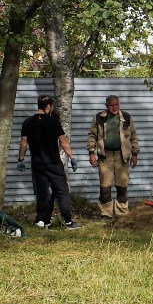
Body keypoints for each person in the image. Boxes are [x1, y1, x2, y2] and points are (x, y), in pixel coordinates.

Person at [17, 95, 81, 229]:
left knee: (43, 192)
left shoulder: (27, 122)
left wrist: (21, 159)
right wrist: (72, 157)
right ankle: (68, 221)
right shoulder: (53, 121)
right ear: (48, 106)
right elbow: (63, 142)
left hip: (38, 163)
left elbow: (23, 143)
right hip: (53, 163)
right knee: (62, 190)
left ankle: (43, 220)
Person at [86, 94, 139, 218]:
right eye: (111, 105)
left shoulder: (126, 117)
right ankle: (106, 213)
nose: (114, 107)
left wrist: (135, 154)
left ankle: (122, 213)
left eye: (116, 105)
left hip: (122, 156)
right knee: (105, 186)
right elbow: (92, 136)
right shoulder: (99, 118)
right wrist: (91, 153)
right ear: (106, 106)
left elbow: (133, 136)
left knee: (122, 185)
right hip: (105, 156)